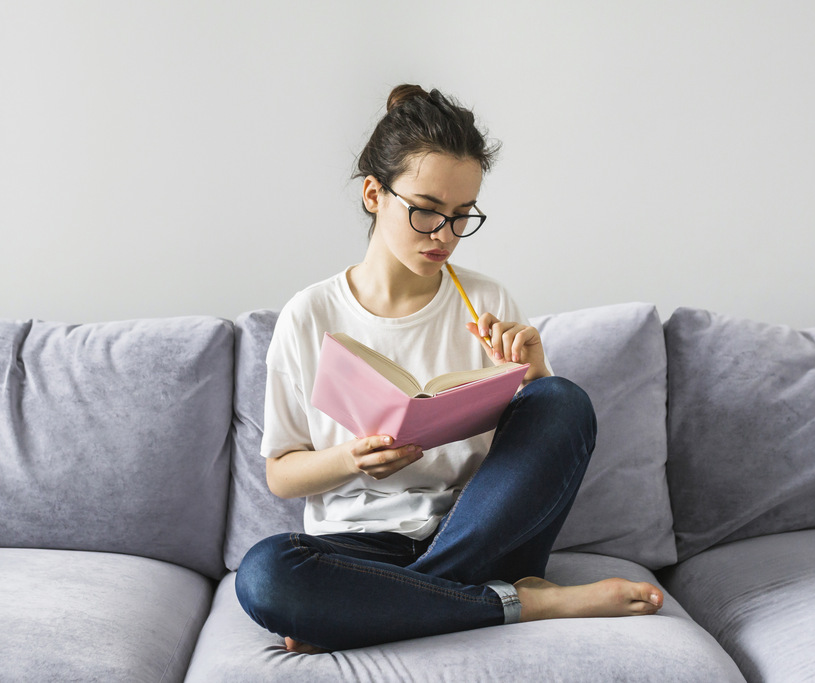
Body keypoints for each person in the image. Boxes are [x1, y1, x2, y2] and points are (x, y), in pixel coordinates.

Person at [234, 84, 663, 654]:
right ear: (373, 194)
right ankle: (525, 601)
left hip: (482, 535)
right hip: (360, 549)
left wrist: (533, 375)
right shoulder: (309, 315)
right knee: (266, 573)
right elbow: (282, 474)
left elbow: (543, 451)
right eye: (426, 211)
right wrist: (351, 459)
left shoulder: (485, 301)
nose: (444, 235)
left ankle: (381, 612)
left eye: (463, 216)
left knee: (562, 400)